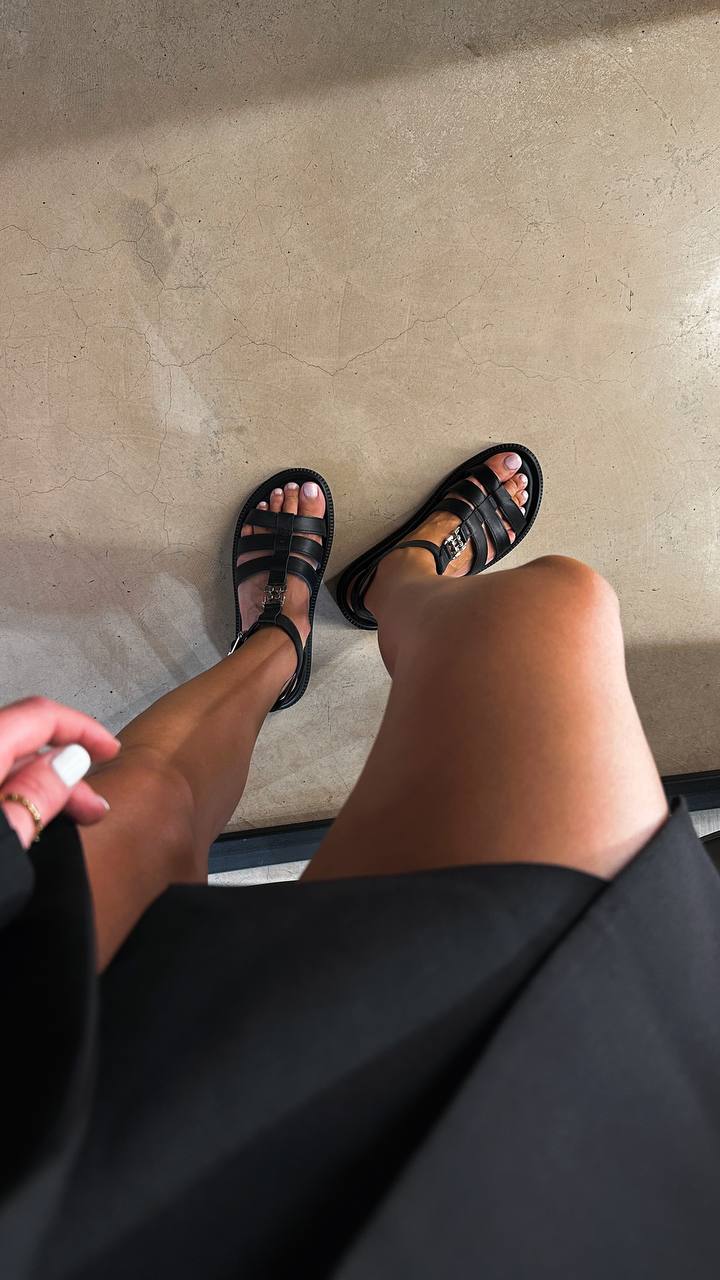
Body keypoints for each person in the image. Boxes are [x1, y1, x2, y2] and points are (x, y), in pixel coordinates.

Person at [1, 446, 718, 1280]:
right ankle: (399, 579)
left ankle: (273, 644)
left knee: (142, 803)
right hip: (575, 1159)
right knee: (555, 606)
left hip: (42, 1164)